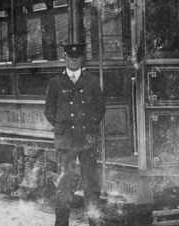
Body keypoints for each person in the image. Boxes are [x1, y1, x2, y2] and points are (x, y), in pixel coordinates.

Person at [44, 43, 106, 226]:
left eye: (77, 57)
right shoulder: (55, 83)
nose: (73, 60)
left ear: (82, 59)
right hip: (66, 141)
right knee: (64, 186)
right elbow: (49, 110)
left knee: (92, 186)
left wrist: (89, 125)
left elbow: (100, 108)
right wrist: (61, 126)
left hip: (87, 139)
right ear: (64, 58)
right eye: (70, 57)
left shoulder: (92, 82)